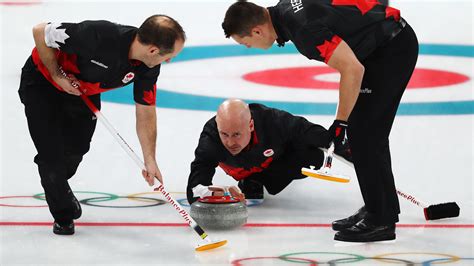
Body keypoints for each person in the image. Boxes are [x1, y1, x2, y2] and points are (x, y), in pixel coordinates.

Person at [222, 0, 418, 242]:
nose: (249, 47)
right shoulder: (285, 9)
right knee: (365, 135)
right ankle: (378, 208)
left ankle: (381, 220)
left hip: (390, 50)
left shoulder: (303, 31)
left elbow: (352, 69)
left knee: (366, 136)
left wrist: (340, 122)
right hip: (382, 41)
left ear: (257, 31)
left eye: (246, 43)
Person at [18, 15, 185, 235]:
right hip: (42, 84)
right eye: (169, 56)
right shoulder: (97, 36)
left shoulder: (148, 66)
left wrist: (150, 159)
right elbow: (41, 31)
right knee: (51, 158)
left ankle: (56, 180)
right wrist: (57, 75)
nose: (169, 61)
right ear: (153, 50)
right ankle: (63, 214)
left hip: (82, 93)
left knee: (75, 152)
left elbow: (145, 110)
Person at [186, 99, 351, 205]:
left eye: (237, 134)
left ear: (251, 125)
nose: (230, 142)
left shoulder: (273, 121)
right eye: (224, 134)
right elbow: (194, 189)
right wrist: (221, 190)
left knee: (313, 156)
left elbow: (309, 131)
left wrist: (346, 148)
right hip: (239, 168)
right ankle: (249, 180)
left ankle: (259, 180)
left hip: (271, 164)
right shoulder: (211, 139)